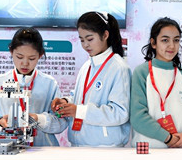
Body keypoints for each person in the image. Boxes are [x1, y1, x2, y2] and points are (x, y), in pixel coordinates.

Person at [0, 27, 68, 146]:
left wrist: (38, 118)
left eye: (31, 58)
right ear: (11, 52)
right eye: (19, 57)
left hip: (43, 150)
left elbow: (62, 122)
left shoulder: (49, 84)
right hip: (7, 148)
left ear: (40, 55)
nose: (25, 63)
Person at [52, 12, 131, 147]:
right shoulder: (87, 66)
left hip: (106, 148)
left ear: (105, 35)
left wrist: (79, 111)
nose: (85, 45)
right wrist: (67, 102)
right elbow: (81, 98)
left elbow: (120, 113)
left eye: (90, 39)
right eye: (82, 40)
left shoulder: (119, 68)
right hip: (78, 144)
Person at [130, 17, 182, 148]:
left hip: (180, 150)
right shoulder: (142, 72)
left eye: (176, 40)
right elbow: (138, 117)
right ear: (153, 43)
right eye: (165, 40)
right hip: (148, 150)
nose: (172, 46)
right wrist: (168, 138)